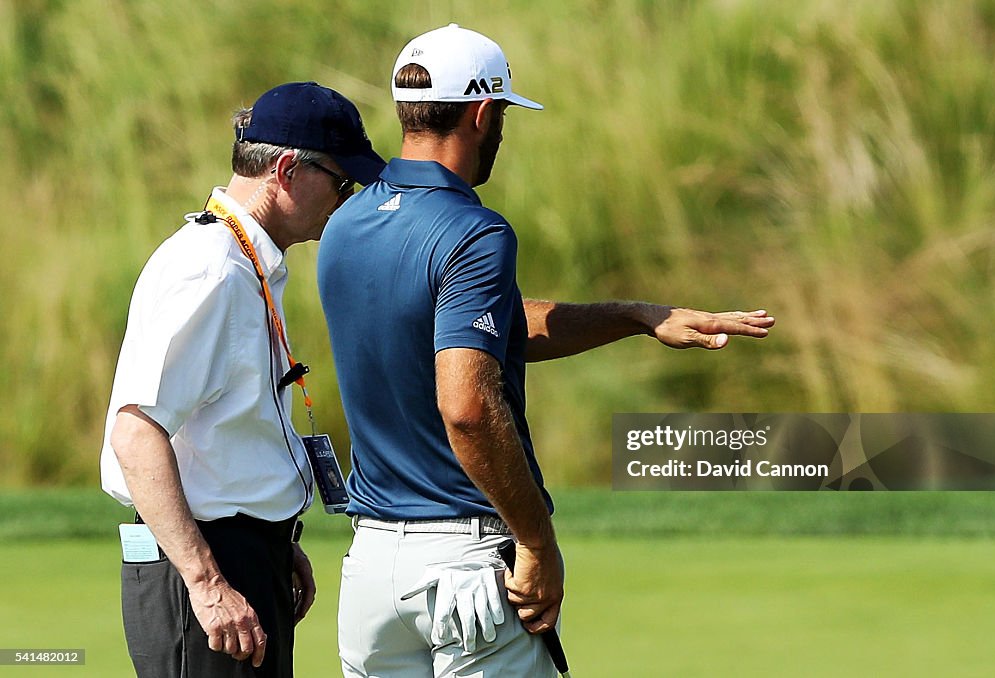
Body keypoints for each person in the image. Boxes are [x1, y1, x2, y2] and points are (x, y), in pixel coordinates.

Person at [317, 24, 775, 677]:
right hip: (466, 568)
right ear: (481, 114)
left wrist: (636, 316)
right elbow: (468, 404)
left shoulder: (348, 223)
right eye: (501, 112)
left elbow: (484, 327)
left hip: (370, 577)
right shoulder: (474, 232)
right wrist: (537, 542)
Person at [100, 81, 384, 678]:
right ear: (286, 170)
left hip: (241, 554)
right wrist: (208, 582)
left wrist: (276, 537)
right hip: (204, 568)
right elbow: (136, 432)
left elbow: (222, 432)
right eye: (341, 180)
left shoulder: (240, 260)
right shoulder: (213, 270)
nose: (346, 197)